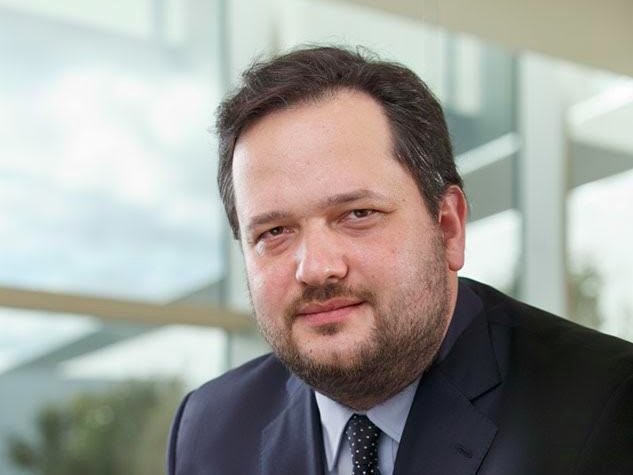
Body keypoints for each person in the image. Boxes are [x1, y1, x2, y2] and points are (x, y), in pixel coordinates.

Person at [166, 46, 633, 475]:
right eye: (274, 232)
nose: (316, 268)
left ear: (448, 227)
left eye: (358, 214)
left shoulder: (606, 406)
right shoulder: (207, 429)